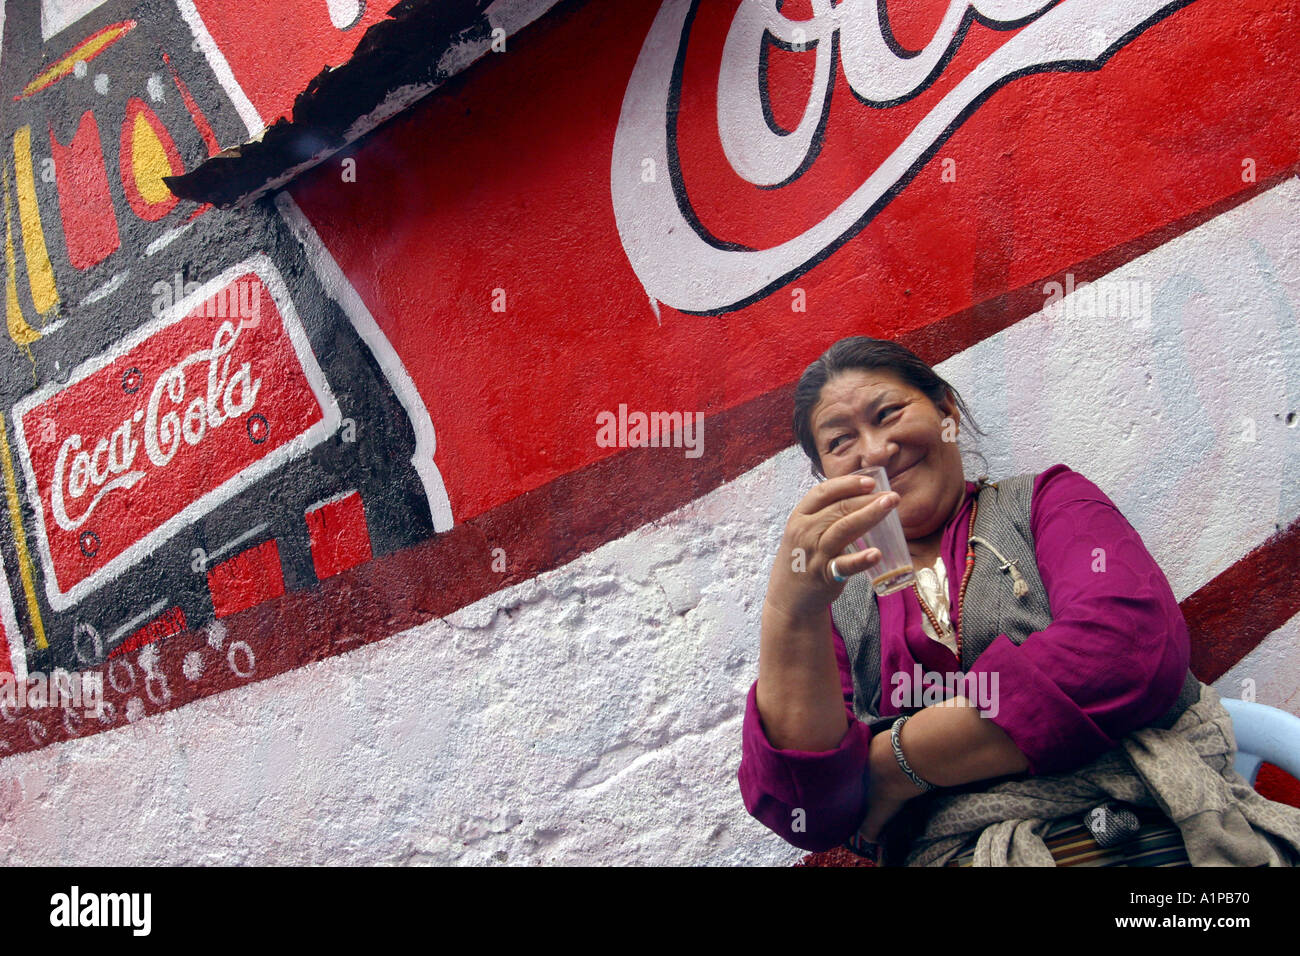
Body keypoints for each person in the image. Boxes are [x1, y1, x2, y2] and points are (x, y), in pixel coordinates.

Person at [737, 335, 1205, 865]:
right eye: (841, 442)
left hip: (1136, 838)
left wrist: (893, 763)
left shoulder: (1049, 502)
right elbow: (811, 806)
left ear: (946, 412)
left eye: (888, 413)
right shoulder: (834, 605)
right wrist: (790, 610)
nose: (874, 450)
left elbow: (1126, 651)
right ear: (827, 479)